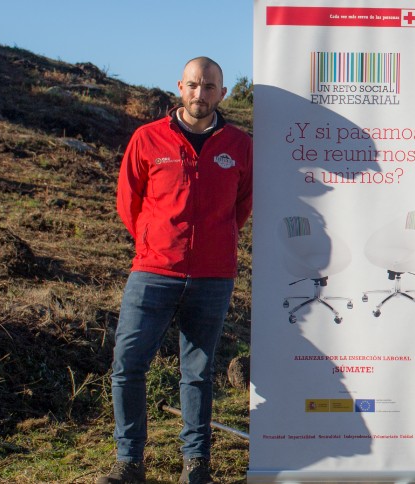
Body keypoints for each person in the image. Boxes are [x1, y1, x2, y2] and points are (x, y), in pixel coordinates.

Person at [102, 56, 252, 484]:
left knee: (199, 372)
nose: (199, 94)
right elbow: (128, 202)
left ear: (222, 93)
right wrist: (155, 242)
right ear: (179, 88)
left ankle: (195, 463)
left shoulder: (240, 146)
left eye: (209, 87)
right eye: (192, 85)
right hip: (153, 273)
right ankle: (129, 461)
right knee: (128, 365)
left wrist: (213, 242)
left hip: (212, 276)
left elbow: (241, 206)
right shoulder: (147, 138)